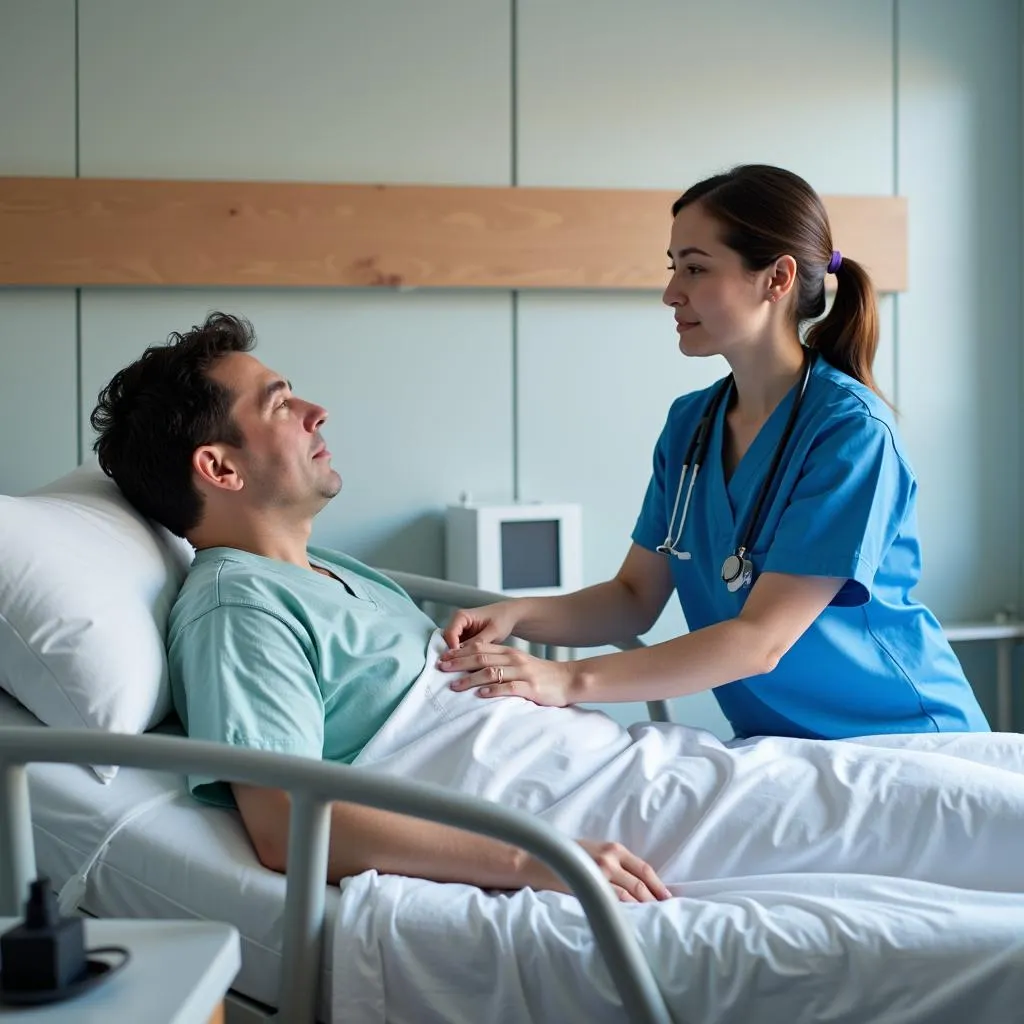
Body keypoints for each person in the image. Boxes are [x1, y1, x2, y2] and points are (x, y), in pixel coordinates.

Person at [89, 311, 1024, 904]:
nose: (317, 411)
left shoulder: (335, 572)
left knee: (958, 794)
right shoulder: (236, 603)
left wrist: (522, 626)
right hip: (590, 803)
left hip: (642, 762)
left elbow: (653, 612)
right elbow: (287, 824)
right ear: (219, 467)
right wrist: (536, 860)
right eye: (283, 403)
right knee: (938, 816)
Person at [438, 164, 990, 743]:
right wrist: (518, 614)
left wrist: (566, 680)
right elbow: (633, 598)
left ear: (777, 278)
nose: (671, 292)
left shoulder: (850, 432)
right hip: (785, 748)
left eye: (696, 269)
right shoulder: (691, 426)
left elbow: (761, 640)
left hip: (905, 740)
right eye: (674, 268)